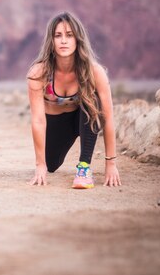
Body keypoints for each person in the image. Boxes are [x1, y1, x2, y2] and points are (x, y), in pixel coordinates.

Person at [26, 12, 121, 188]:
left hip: (82, 119)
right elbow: (38, 120)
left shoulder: (95, 72)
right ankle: (50, 160)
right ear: (51, 41)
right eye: (58, 35)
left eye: (69, 35)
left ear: (78, 39)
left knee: (91, 100)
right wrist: (40, 165)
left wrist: (111, 164)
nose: (63, 41)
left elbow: (107, 118)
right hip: (55, 123)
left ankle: (83, 168)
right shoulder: (39, 73)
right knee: (52, 164)